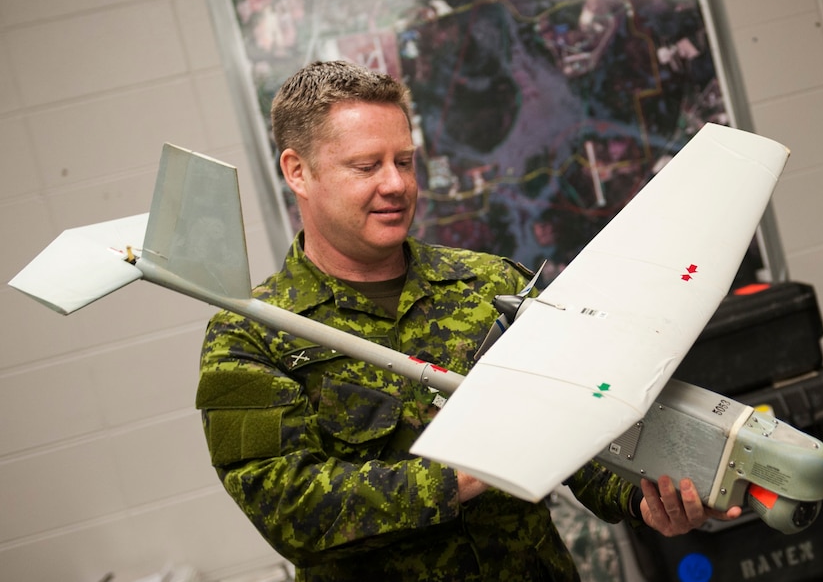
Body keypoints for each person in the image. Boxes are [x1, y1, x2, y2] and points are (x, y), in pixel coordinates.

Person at [196, 60, 740, 581]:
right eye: (366, 166)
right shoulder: (251, 334)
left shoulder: (492, 287)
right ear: (298, 172)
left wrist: (644, 498)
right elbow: (290, 508)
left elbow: (582, 423)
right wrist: (467, 476)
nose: (396, 185)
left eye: (404, 162)